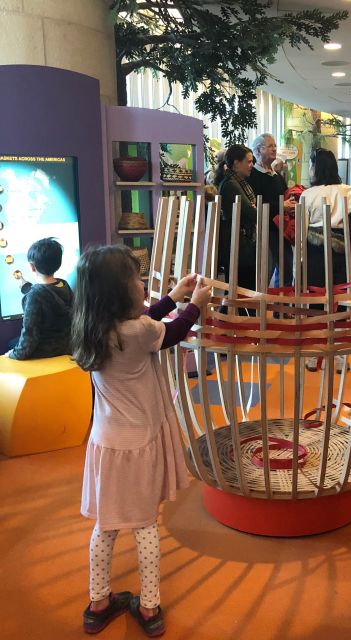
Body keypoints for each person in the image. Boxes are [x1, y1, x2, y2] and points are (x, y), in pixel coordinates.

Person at [72, 245, 212, 636]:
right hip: (139, 446)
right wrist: (195, 304)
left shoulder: (92, 330)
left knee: (106, 526)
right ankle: (149, 608)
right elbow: (172, 332)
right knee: (145, 525)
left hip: (106, 445)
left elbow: (144, 322)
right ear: (121, 292)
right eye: (136, 279)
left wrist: (174, 296)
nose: (141, 284)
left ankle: (98, 602)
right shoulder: (140, 333)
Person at [302, 148, 351, 371]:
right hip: (342, 250)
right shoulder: (349, 191)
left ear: (316, 167)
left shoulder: (308, 194)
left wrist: (300, 260)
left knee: (316, 302)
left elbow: (302, 229)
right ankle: (339, 358)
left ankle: (314, 354)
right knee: (341, 301)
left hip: (315, 250)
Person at [7, 237, 73, 360]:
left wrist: (12, 355)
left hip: (44, 352)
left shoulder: (34, 295)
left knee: (11, 344)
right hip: (66, 347)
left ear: (32, 267)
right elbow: (49, 296)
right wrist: (27, 288)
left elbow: (29, 336)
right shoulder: (64, 285)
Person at [247, 133, 296, 287]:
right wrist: (281, 206)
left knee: (286, 271)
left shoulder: (277, 176)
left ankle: (281, 302)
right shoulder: (252, 176)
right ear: (257, 151)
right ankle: (261, 301)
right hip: (264, 230)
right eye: (270, 146)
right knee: (265, 272)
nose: (274, 149)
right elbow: (255, 205)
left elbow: (285, 197)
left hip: (281, 230)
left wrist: (290, 208)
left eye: (275, 146)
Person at [215, 144, 258, 292]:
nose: (251, 165)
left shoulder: (235, 182)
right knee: (242, 291)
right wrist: (254, 208)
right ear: (236, 163)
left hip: (239, 244)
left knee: (238, 289)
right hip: (239, 246)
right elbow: (252, 212)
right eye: (248, 161)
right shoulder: (231, 184)